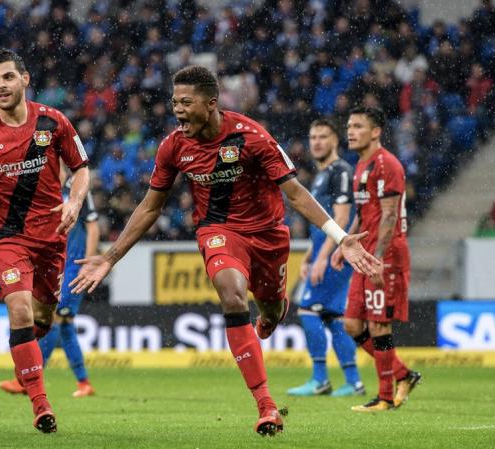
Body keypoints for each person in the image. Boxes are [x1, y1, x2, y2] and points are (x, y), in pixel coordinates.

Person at [70, 66, 380, 436]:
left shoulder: (251, 137)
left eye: (186, 102)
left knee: (271, 307)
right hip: (218, 231)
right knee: (232, 296)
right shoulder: (174, 146)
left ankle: (271, 311)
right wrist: (110, 256)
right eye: (174, 102)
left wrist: (340, 235)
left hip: (268, 236)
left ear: (211, 103)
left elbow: (294, 191)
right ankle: (266, 406)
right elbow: (151, 206)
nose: (178, 110)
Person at [0, 49, 90, 433]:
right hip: (5, 236)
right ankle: (41, 405)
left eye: (8, 78)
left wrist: (74, 202)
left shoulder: (53, 121)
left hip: (50, 237)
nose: (1, 86)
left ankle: (24, 353)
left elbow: (81, 168)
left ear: (24, 79)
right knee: (20, 309)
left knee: (43, 317)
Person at [330, 106, 422, 412]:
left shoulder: (387, 164)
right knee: (353, 325)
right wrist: (344, 243)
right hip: (364, 253)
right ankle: (403, 374)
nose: (350, 131)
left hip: (386, 254)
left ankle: (384, 397)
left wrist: (378, 258)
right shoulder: (361, 165)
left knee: (380, 325)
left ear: (376, 131)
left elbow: (389, 215)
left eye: (357, 126)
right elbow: (363, 213)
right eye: (349, 126)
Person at [0, 173, 99, 398]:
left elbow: (93, 227)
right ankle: (83, 383)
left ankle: (27, 379)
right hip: (53, 264)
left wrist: (88, 264)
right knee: (64, 323)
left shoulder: (77, 186)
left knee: (56, 320)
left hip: (73, 265)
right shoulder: (42, 184)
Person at [288, 119, 364, 397]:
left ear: (335, 140)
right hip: (325, 252)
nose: (317, 141)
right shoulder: (321, 175)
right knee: (332, 315)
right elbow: (321, 225)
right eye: (313, 136)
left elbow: (341, 218)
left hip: (334, 255)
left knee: (307, 310)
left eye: (323, 136)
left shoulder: (341, 171)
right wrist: (310, 256)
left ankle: (320, 379)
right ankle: (353, 382)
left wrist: (322, 259)